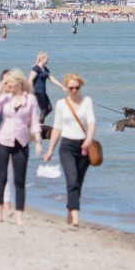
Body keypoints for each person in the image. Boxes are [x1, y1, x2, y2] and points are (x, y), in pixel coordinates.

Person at [0, 68, 42, 225]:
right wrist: (0, 88)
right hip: (2, 140)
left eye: (10, 81)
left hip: (21, 142)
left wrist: (38, 141)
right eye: (6, 82)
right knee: (1, 179)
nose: (8, 84)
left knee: (19, 181)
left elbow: (34, 122)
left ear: (19, 82)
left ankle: (19, 217)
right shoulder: (3, 98)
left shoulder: (30, 99)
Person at [42, 73, 97, 229]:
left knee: (78, 183)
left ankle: (70, 208)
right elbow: (57, 128)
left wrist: (88, 139)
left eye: (76, 87)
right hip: (66, 147)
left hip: (84, 147)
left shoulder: (86, 102)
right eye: (71, 87)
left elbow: (92, 123)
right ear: (66, 88)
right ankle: (75, 217)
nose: (74, 90)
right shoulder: (61, 104)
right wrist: (50, 150)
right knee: (72, 180)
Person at [29, 52, 66, 122]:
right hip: (37, 91)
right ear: (42, 59)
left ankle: (37, 120)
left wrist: (62, 87)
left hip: (43, 92)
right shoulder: (36, 68)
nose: (47, 61)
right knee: (44, 109)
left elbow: (53, 79)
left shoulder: (45, 69)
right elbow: (30, 79)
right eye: (47, 59)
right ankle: (40, 125)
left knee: (49, 108)